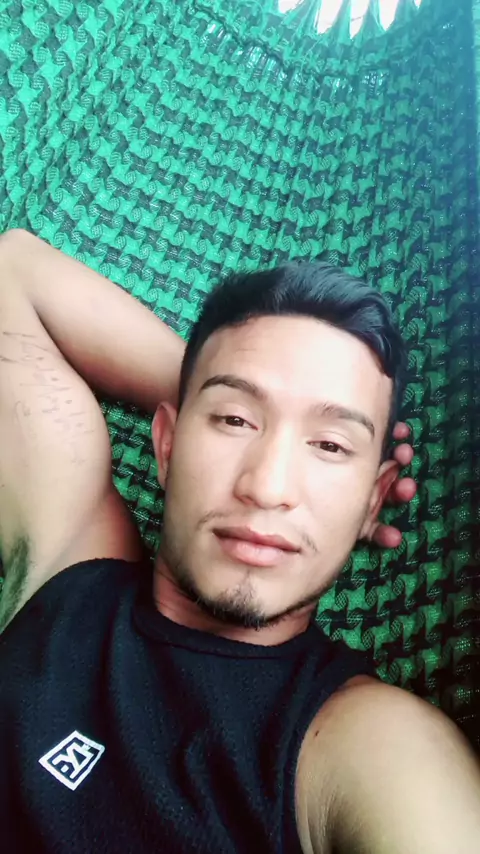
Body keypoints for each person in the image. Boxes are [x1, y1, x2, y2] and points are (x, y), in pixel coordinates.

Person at [0, 228, 478, 853]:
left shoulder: (369, 744)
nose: (267, 486)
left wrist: (226, 397)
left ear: (373, 499)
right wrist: (206, 382)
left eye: (331, 445)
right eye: (233, 421)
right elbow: (12, 269)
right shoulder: (70, 565)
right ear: (167, 446)